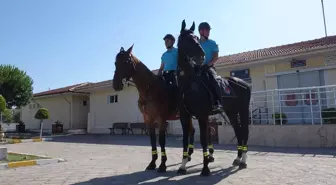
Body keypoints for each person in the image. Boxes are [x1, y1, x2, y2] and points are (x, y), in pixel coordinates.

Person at [198, 22, 223, 113]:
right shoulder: (196, 43)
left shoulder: (212, 43)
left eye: (209, 30)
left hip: (208, 67)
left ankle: (217, 103)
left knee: (214, 81)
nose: (209, 32)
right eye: (207, 30)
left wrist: (208, 65)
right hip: (197, 68)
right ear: (201, 31)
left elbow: (215, 57)